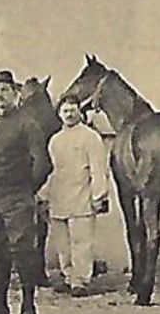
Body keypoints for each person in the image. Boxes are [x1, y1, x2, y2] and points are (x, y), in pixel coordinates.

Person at [0, 70, 52, 314]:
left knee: (23, 249)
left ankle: (28, 306)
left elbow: (43, 163)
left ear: (15, 93)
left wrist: (26, 189)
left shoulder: (27, 124)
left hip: (17, 196)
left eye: (5, 90)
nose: (0, 95)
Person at [39, 96, 110, 298]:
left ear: (80, 112)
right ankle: (68, 276)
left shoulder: (90, 137)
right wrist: (43, 195)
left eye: (73, 110)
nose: (69, 114)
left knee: (81, 242)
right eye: (65, 111)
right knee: (63, 243)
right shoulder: (54, 141)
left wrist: (99, 195)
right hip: (58, 197)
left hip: (82, 196)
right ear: (59, 114)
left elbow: (98, 168)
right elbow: (51, 171)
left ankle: (81, 281)